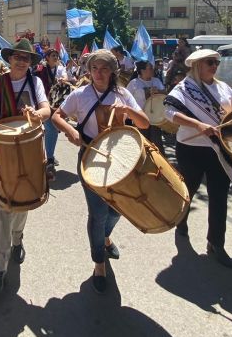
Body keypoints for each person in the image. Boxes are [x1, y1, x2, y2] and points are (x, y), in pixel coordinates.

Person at [51, 49, 150, 293]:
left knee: (117, 210)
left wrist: (128, 111)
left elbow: (145, 123)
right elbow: (57, 115)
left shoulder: (123, 93)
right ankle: (99, 262)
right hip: (89, 156)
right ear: (89, 70)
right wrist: (70, 131)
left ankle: (105, 237)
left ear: (112, 71)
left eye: (104, 68)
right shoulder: (80, 94)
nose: (99, 73)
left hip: (120, 160)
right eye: (95, 68)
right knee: (97, 213)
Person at [163, 49, 232, 268]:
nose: (214, 66)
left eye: (216, 62)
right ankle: (181, 221)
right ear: (197, 66)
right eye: (209, 62)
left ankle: (216, 243)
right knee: (188, 192)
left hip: (218, 149)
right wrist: (198, 125)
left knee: (219, 197)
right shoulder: (184, 88)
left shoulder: (224, 88)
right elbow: (169, 112)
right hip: (191, 148)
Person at [0, 38, 51, 294]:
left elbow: (47, 110)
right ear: (9, 59)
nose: (21, 61)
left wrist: (37, 115)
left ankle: (17, 238)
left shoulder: (35, 82)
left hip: (28, 150)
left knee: (22, 201)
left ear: (31, 63)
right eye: (17, 56)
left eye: (26, 58)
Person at [34, 48, 69, 179]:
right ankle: (49, 159)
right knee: (51, 130)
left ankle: (49, 156)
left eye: (57, 55)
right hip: (42, 104)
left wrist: (63, 80)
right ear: (47, 57)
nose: (56, 57)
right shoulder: (40, 68)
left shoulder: (60, 68)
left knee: (51, 130)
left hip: (55, 104)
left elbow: (65, 77)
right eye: (53, 55)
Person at [126, 61, 166, 148]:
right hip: (140, 118)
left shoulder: (156, 80)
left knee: (156, 142)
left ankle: (158, 161)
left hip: (156, 118)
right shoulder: (134, 83)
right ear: (142, 70)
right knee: (143, 142)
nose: (153, 70)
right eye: (150, 68)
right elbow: (126, 99)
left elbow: (165, 93)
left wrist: (158, 91)